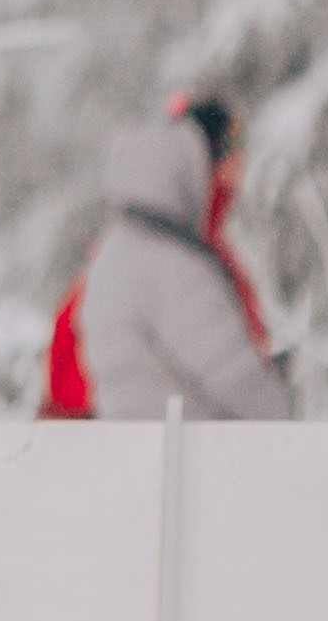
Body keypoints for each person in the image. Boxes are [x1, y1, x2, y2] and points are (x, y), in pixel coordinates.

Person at [77, 101, 292, 621]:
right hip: (185, 477)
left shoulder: (109, 257)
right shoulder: (170, 267)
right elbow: (232, 371)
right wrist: (283, 422)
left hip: (130, 472)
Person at [44, 92, 267, 420]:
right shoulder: (165, 257)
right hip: (150, 453)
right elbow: (71, 381)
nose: (241, 167)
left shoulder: (203, 253)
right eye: (231, 152)